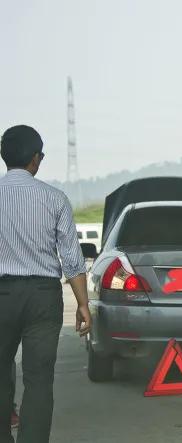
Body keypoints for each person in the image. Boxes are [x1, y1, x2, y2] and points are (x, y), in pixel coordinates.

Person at [0, 125, 92, 443]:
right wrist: (83, 304)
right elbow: (71, 259)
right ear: (36, 159)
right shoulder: (54, 199)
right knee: (39, 379)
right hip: (43, 297)